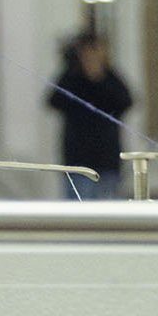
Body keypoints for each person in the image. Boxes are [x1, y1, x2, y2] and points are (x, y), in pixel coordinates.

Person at [45, 33, 133, 198]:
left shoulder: (111, 77)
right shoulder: (72, 77)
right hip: (78, 160)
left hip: (107, 160)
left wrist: (99, 78)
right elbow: (54, 101)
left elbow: (126, 101)